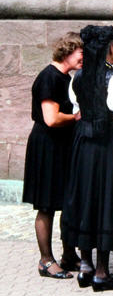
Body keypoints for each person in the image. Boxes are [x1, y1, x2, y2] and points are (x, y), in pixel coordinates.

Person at [61, 25, 113, 291]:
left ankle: (85, 266)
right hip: (108, 148)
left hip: (83, 147)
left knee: (86, 200)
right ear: (110, 50)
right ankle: (102, 273)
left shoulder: (78, 78)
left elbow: (80, 112)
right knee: (107, 200)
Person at [22, 32, 83, 279]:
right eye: (81, 54)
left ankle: (69, 255)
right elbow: (51, 118)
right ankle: (46, 261)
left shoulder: (64, 77)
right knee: (47, 205)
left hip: (61, 146)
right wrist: (77, 117)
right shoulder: (49, 77)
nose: (84, 59)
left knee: (67, 202)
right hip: (47, 146)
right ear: (67, 51)